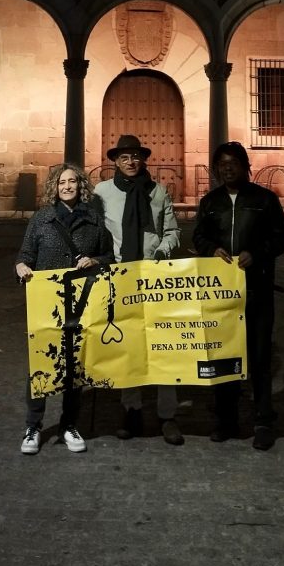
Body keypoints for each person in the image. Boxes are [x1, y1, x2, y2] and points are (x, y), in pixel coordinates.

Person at [192, 141, 284, 451]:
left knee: (260, 357)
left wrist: (257, 254)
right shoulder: (210, 202)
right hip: (221, 295)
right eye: (221, 163)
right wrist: (211, 250)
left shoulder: (265, 200)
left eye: (233, 162)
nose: (227, 167)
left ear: (245, 165)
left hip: (257, 290)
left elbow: (283, 237)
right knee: (224, 356)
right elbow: (199, 236)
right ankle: (227, 420)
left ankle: (263, 421)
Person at [15, 162, 114, 456]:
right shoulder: (41, 220)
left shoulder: (94, 221)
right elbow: (25, 254)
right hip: (47, 302)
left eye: (72, 182)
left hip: (81, 303)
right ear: (54, 188)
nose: (67, 187)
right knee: (41, 364)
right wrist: (21, 266)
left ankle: (69, 424)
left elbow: (109, 256)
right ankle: (33, 426)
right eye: (61, 183)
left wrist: (96, 261)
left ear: (80, 185)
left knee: (74, 365)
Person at [94, 134, 184, 446]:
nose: (131, 162)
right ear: (115, 162)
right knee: (128, 346)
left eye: (136, 156)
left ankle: (167, 415)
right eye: (124, 157)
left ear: (142, 159)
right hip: (120, 278)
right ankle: (131, 410)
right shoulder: (102, 192)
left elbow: (172, 231)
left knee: (163, 346)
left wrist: (163, 248)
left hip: (154, 278)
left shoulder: (158, 192)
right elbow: (94, 232)